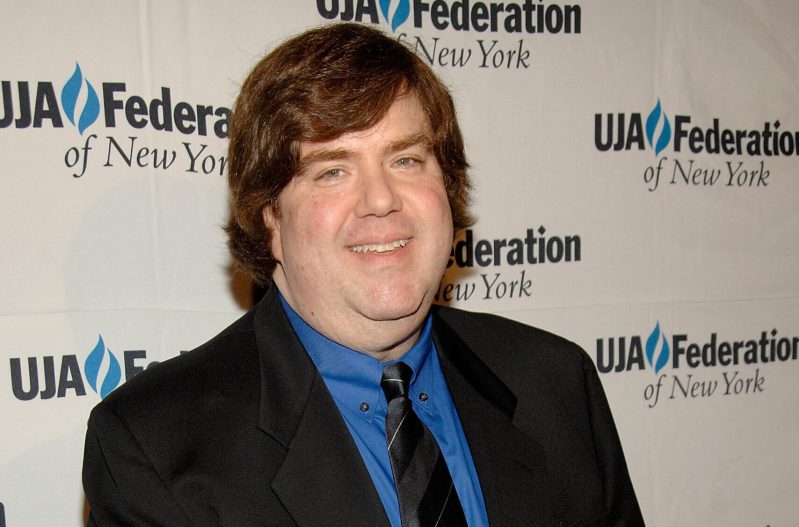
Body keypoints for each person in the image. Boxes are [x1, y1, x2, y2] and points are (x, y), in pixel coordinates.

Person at [82, 22, 644, 527]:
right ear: (270, 215)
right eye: (331, 171)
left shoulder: (554, 381)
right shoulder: (154, 446)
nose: (380, 200)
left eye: (406, 160)